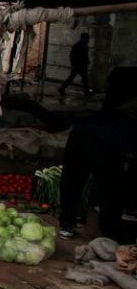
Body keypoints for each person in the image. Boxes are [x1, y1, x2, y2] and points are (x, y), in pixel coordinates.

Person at [58, 66, 137, 241]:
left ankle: (67, 225)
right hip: (104, 143)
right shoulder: (127, 115)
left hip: (81, 133)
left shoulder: (113, 100)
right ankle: (109, 233)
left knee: (71, 181)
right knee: (110, 188)